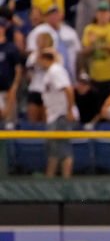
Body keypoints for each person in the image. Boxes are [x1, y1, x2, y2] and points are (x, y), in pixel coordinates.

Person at [39, 48, 76, 178]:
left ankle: (65, 184)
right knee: (53, 150)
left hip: (61, 114)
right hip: (54, 115)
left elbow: (68, 90)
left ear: (45, 58)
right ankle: (50, 180)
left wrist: (69, 111)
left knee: (64, 149)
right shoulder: (51, 72)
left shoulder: (56, 70)